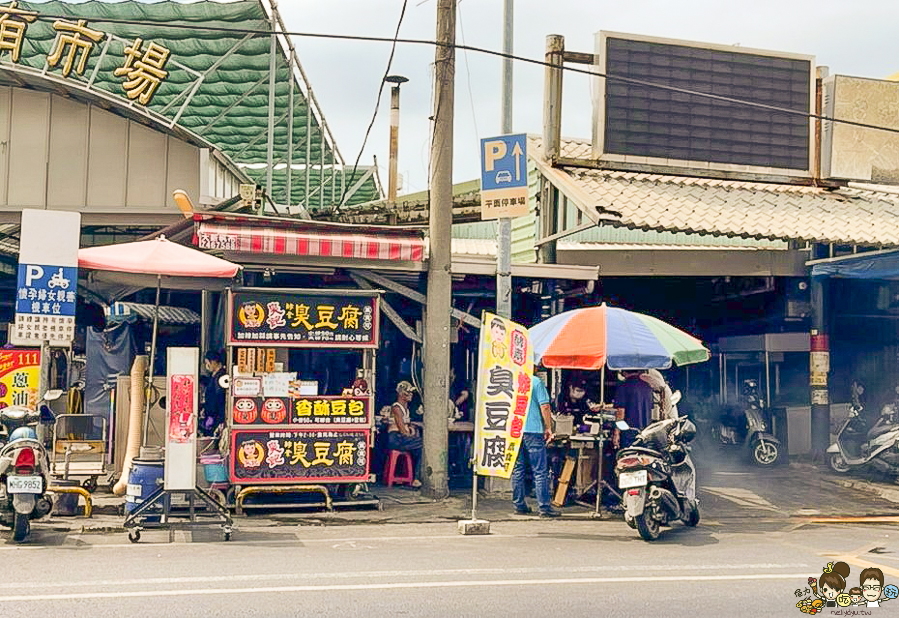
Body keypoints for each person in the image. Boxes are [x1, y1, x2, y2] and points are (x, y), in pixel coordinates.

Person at [511, 375, 561, 518]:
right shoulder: (536, 381)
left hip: (514, 429)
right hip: (533, 430)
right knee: (540, 471)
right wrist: (548, 427)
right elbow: (545, 406)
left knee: (517, 469)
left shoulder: (511, 380)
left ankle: (519, 505)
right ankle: (544, 507)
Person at [387, 381, 423, 489]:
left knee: (421, 448)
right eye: (409, 393)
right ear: (402, 394)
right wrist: (410, 433)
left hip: (401, 438)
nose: (411, 395)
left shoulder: (406, 409)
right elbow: (403, 430)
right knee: (425, 445)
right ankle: (416, 479)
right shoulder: (396, 408)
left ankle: (414, 477)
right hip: (396, 439)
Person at [613, 370, 654, 446]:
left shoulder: (623, 386)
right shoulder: (648, 387)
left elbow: (620, 411)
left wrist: (616, 434)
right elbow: (651, 410)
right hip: (646, 434)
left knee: (629, 457)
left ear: (624, 372)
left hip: (629, 434)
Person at [200, 350, 226, 436]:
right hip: (212, 414)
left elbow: (218, 398)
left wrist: (212, 414)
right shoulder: (215, 375)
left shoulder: (221, 376)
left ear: (214, 362)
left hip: (216, 415)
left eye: (208, 363)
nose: (207, 366)